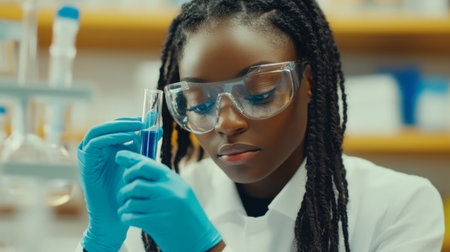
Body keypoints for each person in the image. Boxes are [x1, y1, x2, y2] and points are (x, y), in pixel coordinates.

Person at [76, 0, 445, 251]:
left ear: (309, 83)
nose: (227, 123)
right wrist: (102, 243)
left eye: (259, 94)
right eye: (200, 102)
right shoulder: (161, 205)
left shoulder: (398, 205)